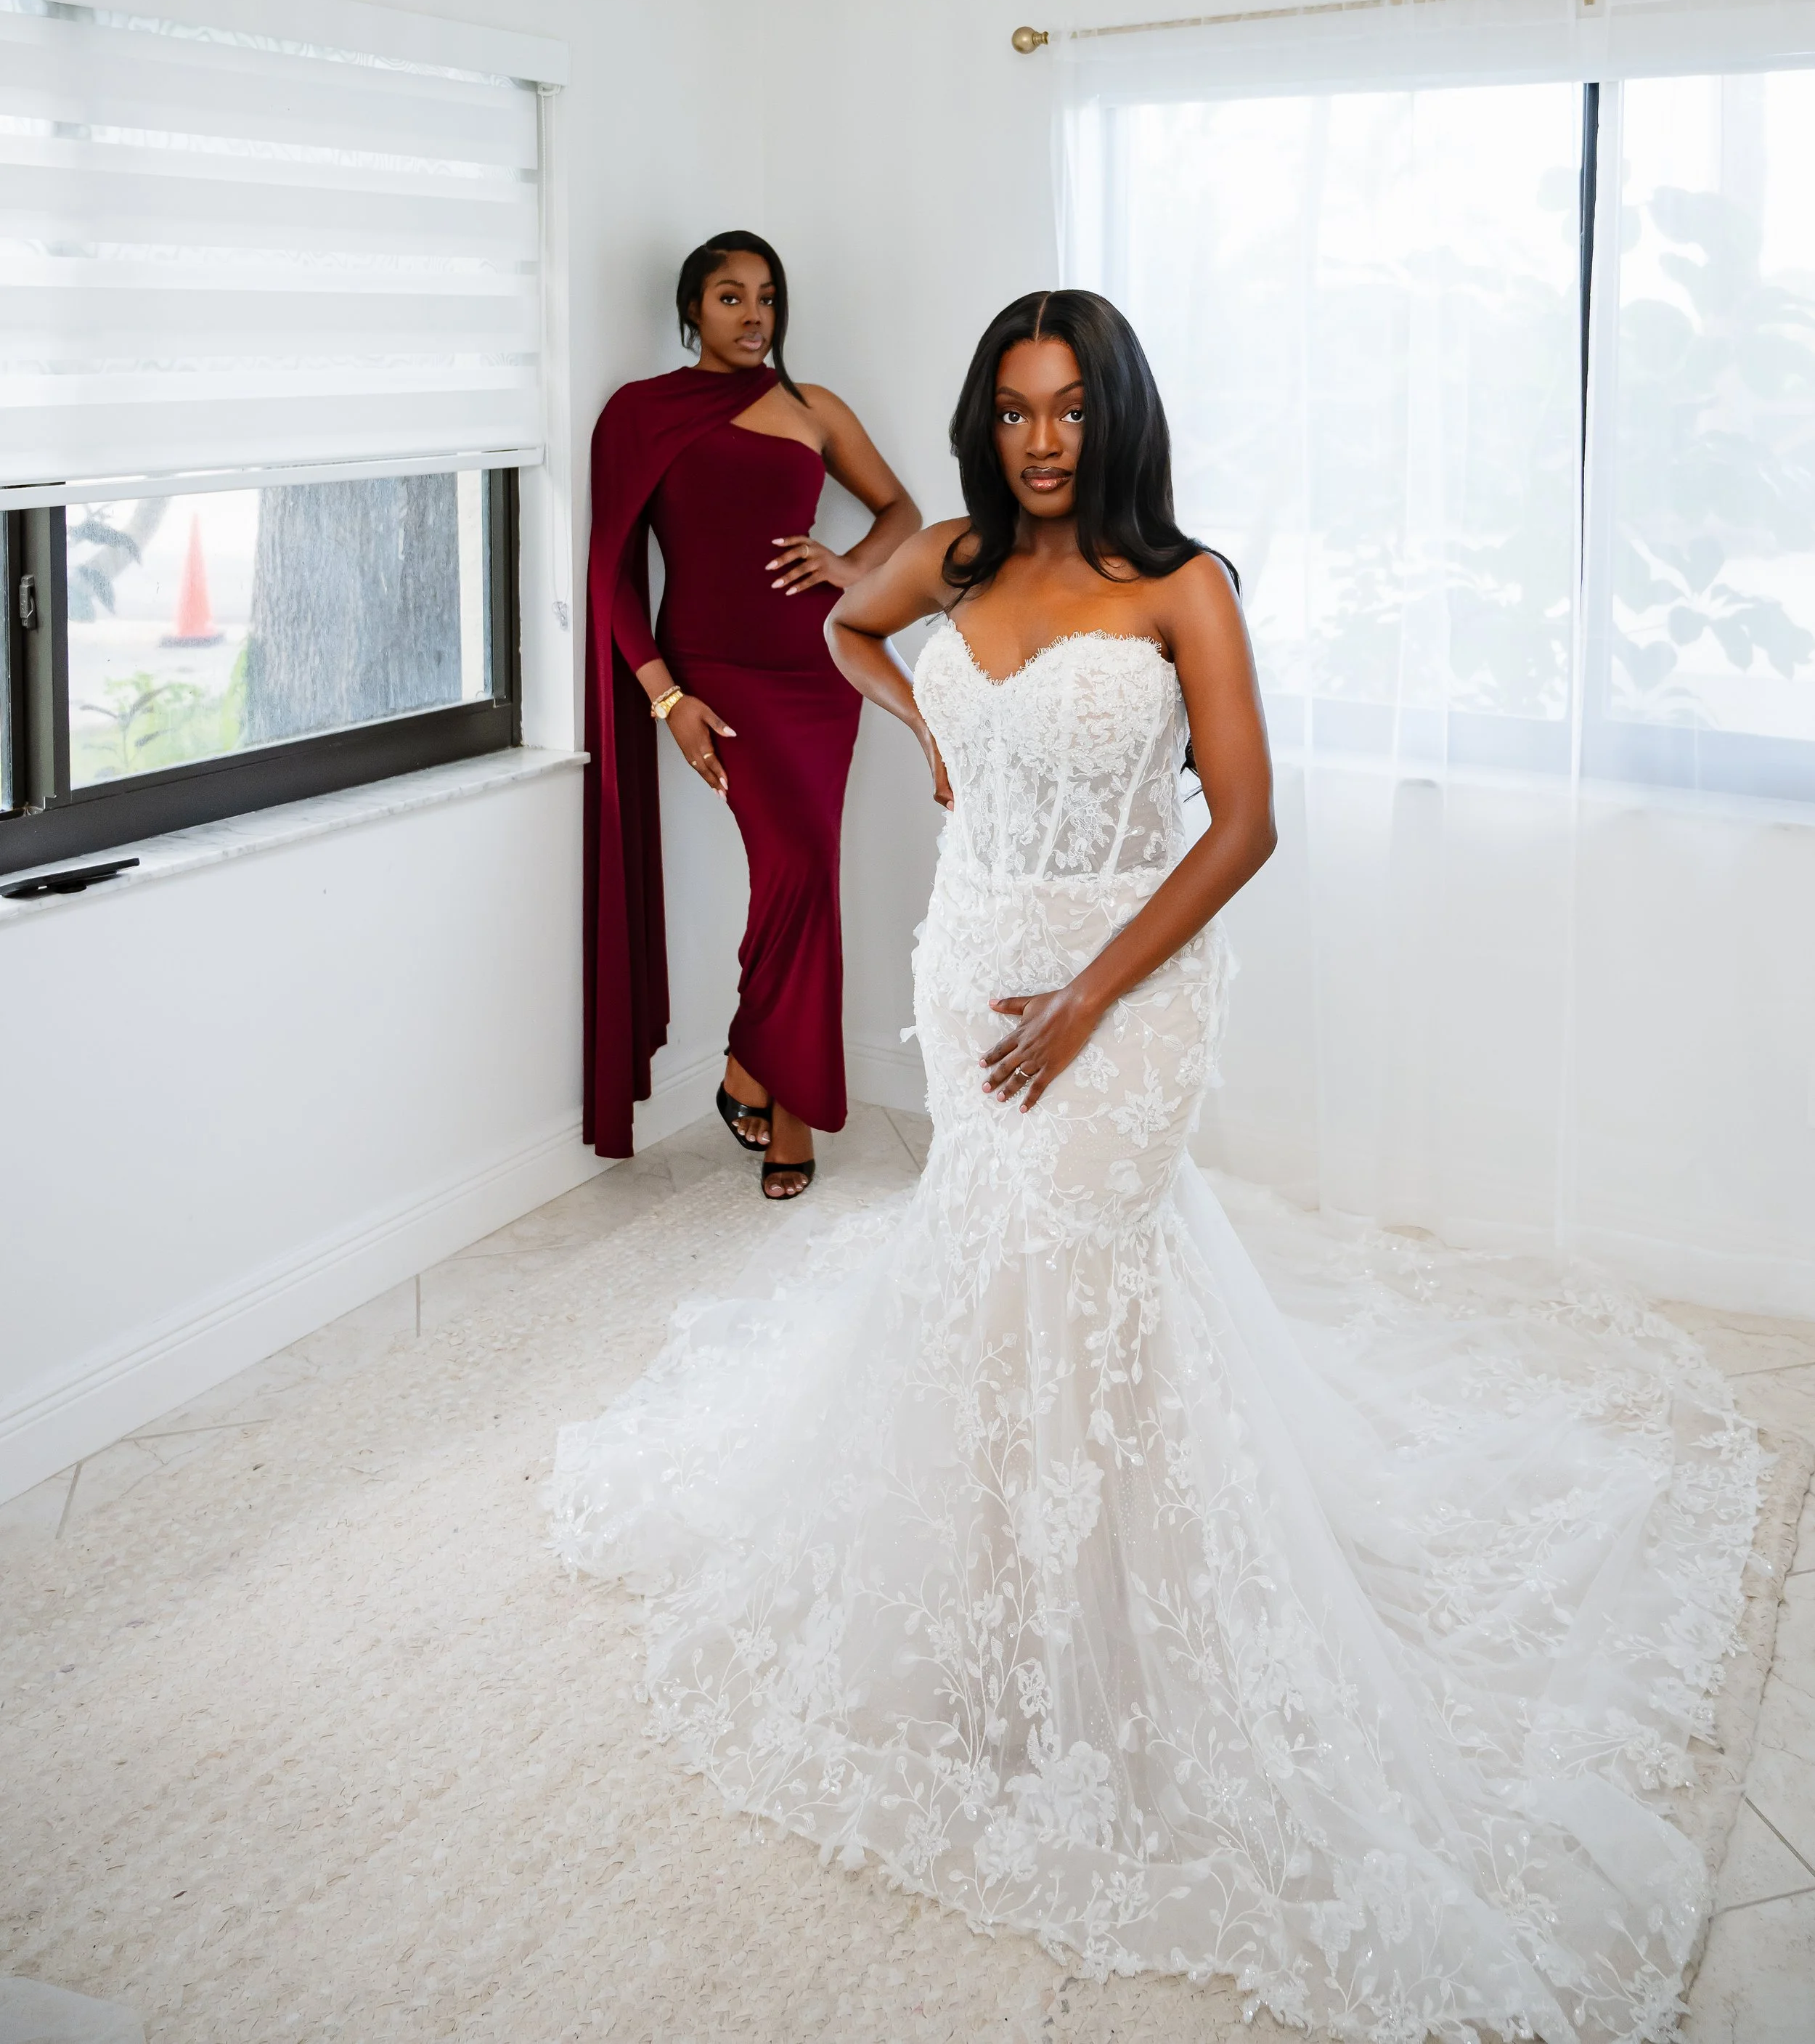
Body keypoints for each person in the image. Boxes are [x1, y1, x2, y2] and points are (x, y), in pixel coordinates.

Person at [554, 288, 1758, 2042]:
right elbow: (841, 629)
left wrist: (1089, 997)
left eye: (1069, 410)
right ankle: (993, 1594)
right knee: (992, 1268)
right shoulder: (949, 557)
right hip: (973, 957)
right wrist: (928, 729)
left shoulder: (1183, 586)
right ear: (985, 422)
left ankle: (1124, 1620)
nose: (1041, 441)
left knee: (1090, 1257)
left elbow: (1245, 823)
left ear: (1116, 416)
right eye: (1014, 410)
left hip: (1124, 989)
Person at [582, 235, 918, 1194]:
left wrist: (847, 566)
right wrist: (667, 698)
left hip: (818, 671)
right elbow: (611, 574)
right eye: (730, 296)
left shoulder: (815, 408)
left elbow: (899, 511)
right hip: (715, 675)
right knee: (794, 869)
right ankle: (775, 1084)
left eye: (767, 297)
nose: (754, 314)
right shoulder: (640, 413)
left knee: (804, 870)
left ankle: (765, 1077)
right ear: (691, 309)